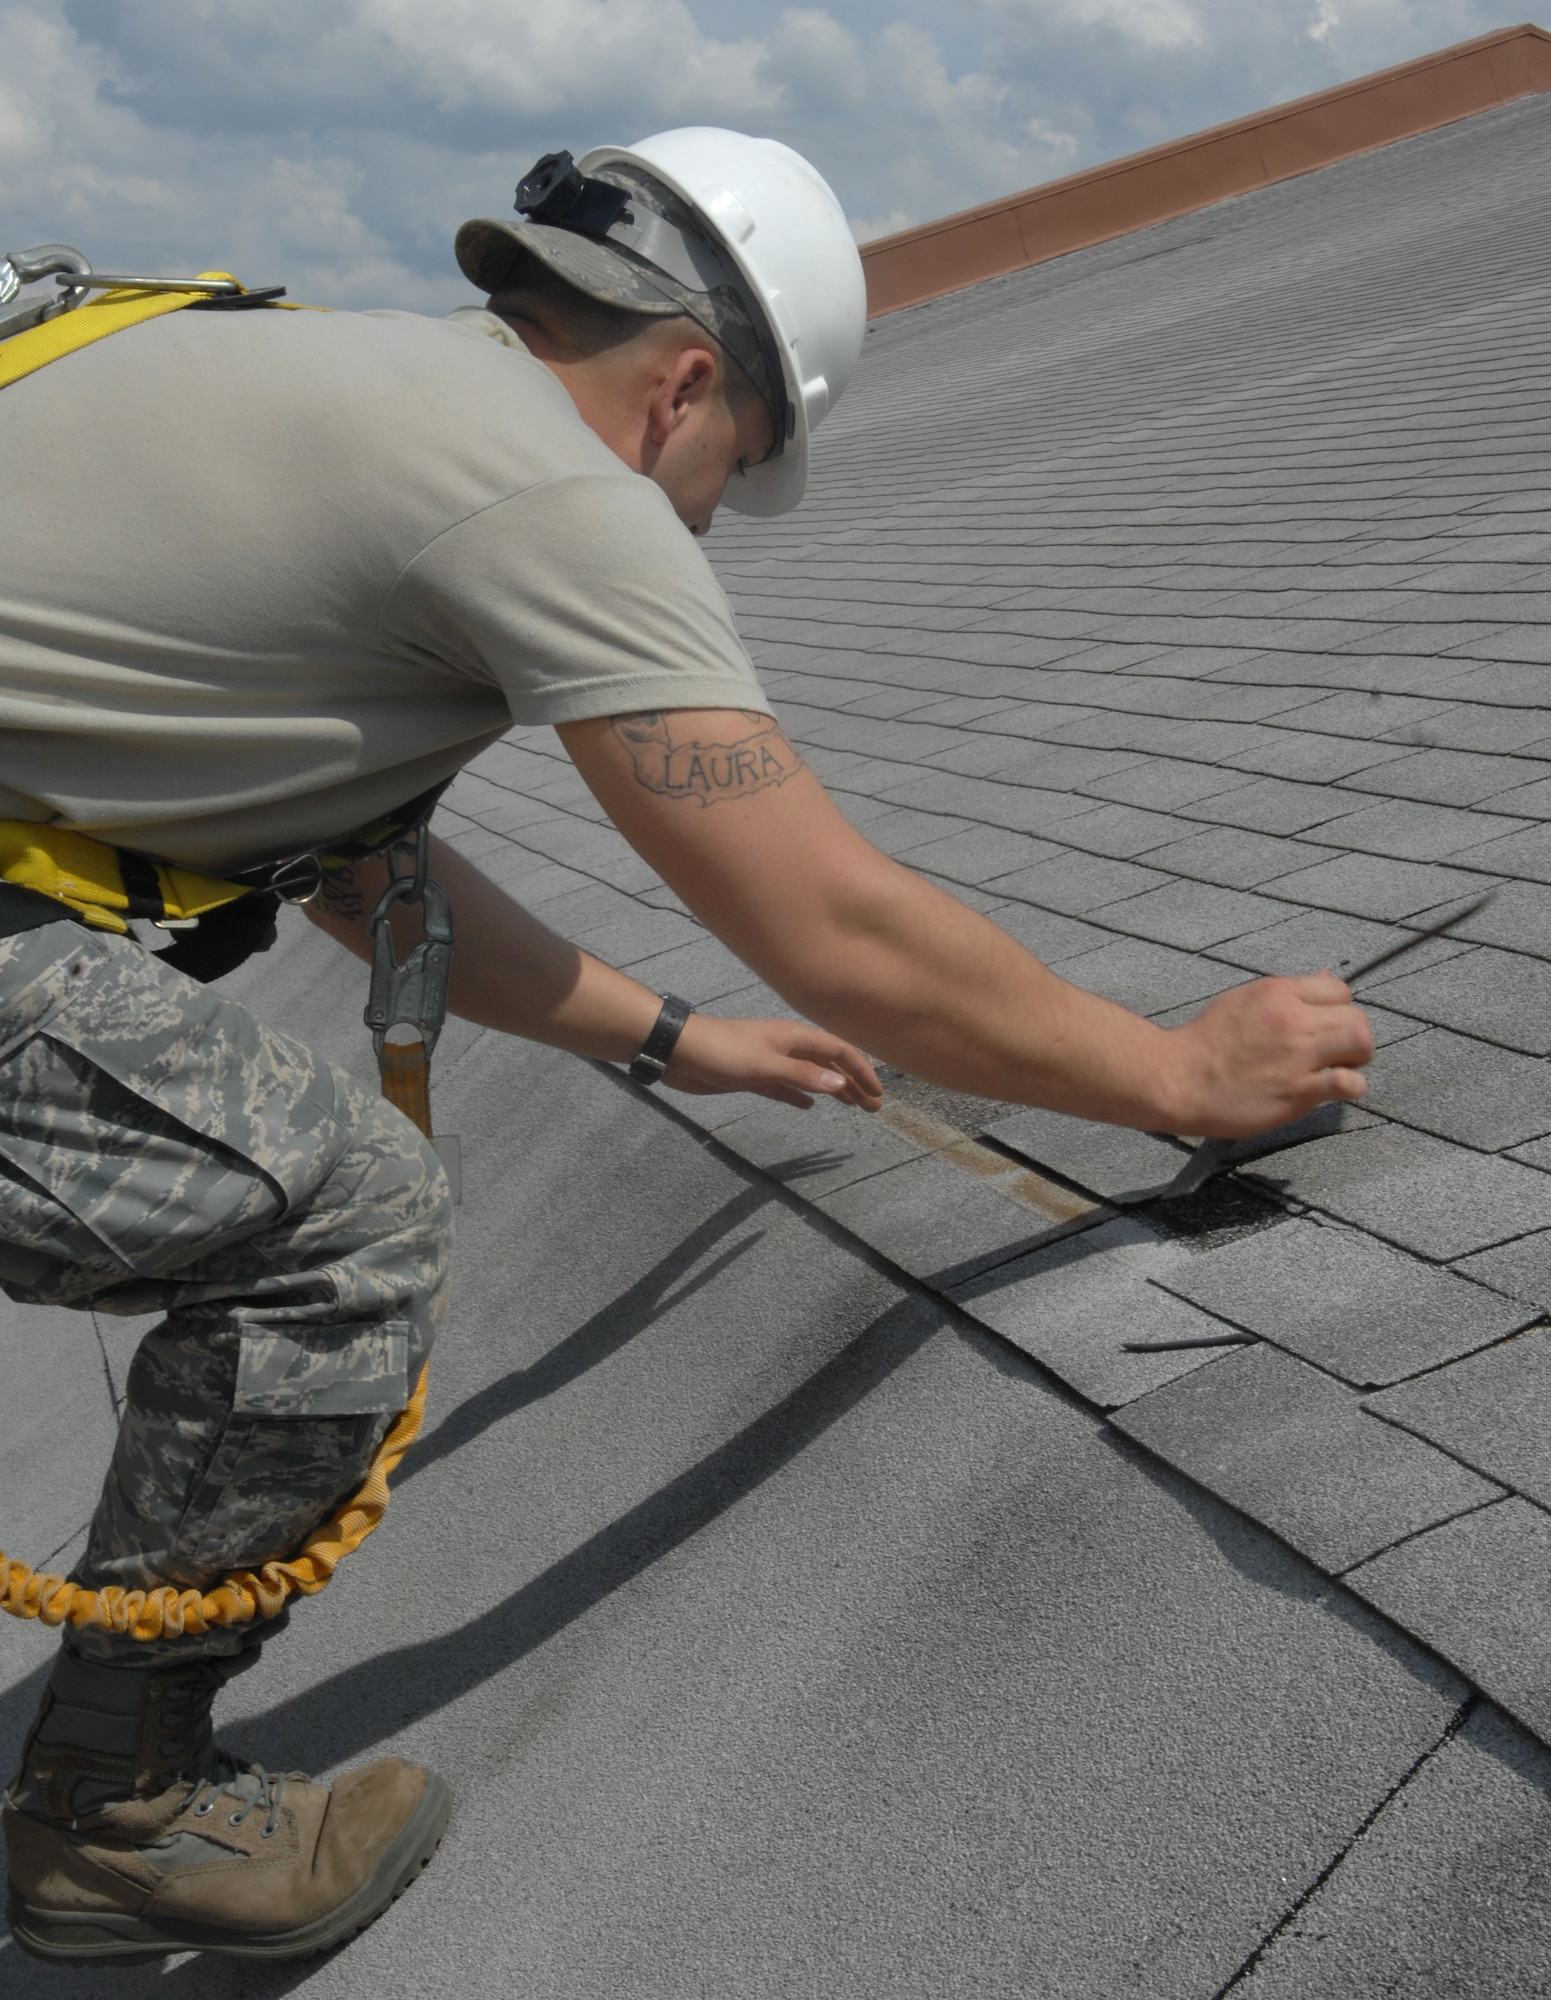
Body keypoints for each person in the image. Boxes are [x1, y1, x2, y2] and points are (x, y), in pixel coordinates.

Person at [0, 129, 1374, 1967]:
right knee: (345, 1226)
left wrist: (680, 1040)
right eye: (733, 475)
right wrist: (1182, 1080)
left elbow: (367, 877)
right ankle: (117, 1816)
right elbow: (839, 922)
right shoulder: (545, 487)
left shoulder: (297, 383)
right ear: (685, 385)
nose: (710, 523)